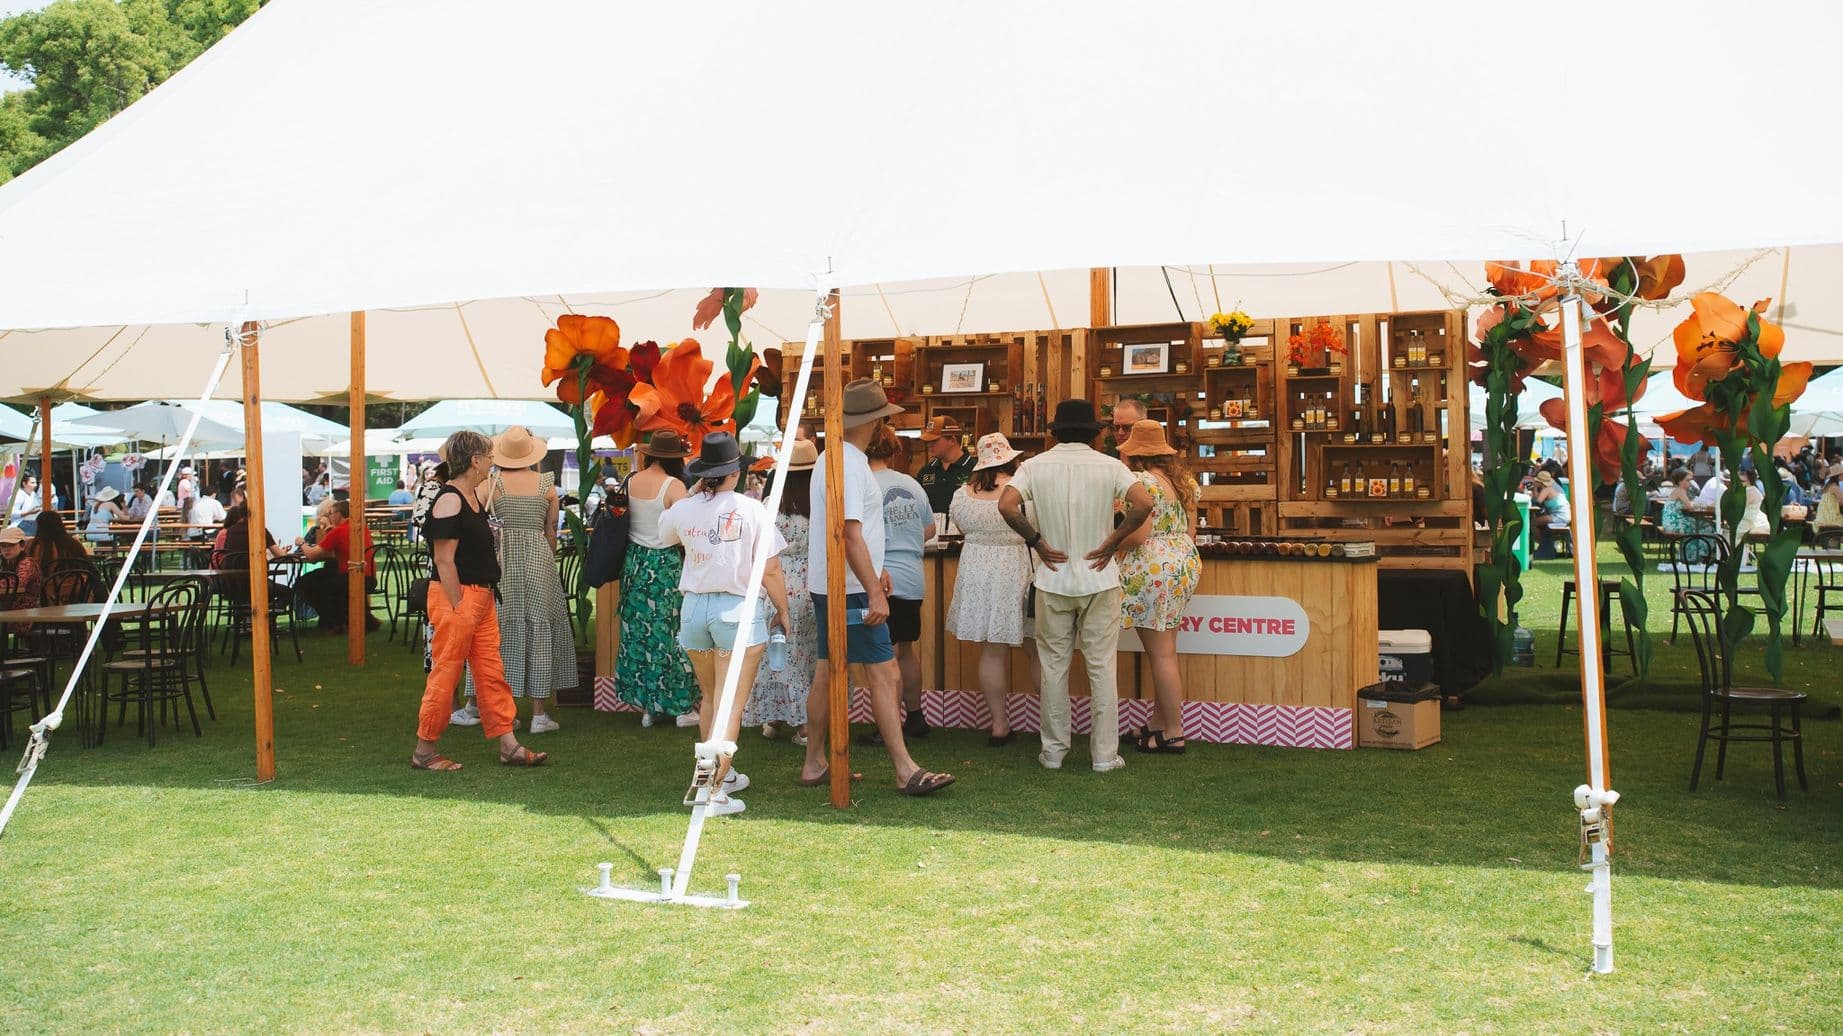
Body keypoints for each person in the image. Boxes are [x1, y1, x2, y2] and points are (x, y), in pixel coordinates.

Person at [801, 379, 954, 796]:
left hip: (832, 582)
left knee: (826, 671)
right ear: (879, 422)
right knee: (885, 672)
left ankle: (815, 761)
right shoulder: (849, 463)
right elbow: (849, 533)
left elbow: (851, 532)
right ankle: (904, 769)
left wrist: (874, 573)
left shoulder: (830, 458)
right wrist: (873, 588)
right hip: (849, 586)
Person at [998, 398, 1153, 773]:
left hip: (1053, 578)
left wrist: (1036, 542)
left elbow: (1006, 505)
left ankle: (1053, 752)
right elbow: (1144, 503)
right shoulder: (1110, 465)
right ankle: (1103, 755)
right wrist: (1114, 540)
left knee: (1053, 668)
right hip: (1100, 577)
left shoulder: (1035, 466)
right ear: (1094, 433)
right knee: (1102, 668)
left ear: (1056, 432)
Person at [657, 431, 793, 817]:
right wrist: (782, 610)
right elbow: (770, 568)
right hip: (736, 609)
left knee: (712, 700)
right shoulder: (752, 510)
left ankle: (718, 779)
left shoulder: (686, 507)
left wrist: (694, 497)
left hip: (695, 610)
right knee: (730, 707)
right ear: (735, 471)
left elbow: (663, 533)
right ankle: (712, 789)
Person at [411, 430, 547, 771]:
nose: (492, 462)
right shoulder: (451, 498)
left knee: (491, 673)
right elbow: (443, 560)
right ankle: (424, 751)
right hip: (459, 597)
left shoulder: (469, 496)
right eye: (488, 456)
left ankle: (509, 745)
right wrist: (458, 604)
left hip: (480, 595)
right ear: (474, 461)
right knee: (445, 673)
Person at [468, 426, 574, 733]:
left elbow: (476, 522)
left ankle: (499, 708)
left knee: (496, 629)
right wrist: (547, 558)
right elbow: (551, 531)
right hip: (539, 560)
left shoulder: (491, 483)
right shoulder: (547, 485)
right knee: (539, 625)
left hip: (500, 562)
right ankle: (539, 714)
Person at [1115, 420, 1201, 754]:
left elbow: (1137, 535)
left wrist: (1112, 540)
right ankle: (1158, 722)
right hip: (1183, 561)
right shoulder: (1184, 481)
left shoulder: (1139, 482)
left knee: (1161, 654)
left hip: (1152, 566)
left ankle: (1175, 732)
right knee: (1167, 649)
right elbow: (1190, 532)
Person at [945, 433, 1034, 744]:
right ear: (1010, 459)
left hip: (976, 570)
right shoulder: (1022, 491)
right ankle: (1052, 725)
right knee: (1036, 647)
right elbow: (1035, 528)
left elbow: (958, 526)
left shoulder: (962, 495)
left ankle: (999, 725)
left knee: (991, 651)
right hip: (1016, 567)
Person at [614, 430, 701, 726]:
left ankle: (649, 706)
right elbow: (685, 529)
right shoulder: (674, 486)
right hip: (663, 564)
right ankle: (680, 706)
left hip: (634, 563)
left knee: (639, 633)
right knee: (670, 633)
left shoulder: (631, 481)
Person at [863, 422, 934, 745]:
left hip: (882, 579)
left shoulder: (863, 484)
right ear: (893, 450)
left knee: (883, 655)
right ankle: (915, 716)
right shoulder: (911, 484)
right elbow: (929, 529)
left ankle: (887, 725)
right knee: (905, 650)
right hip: (913, 576)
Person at [744, 439, 818, 743]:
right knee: (806, 657)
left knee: (776, 654)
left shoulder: (770, 504)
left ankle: (773, 719)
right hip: (811, 582)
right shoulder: (821, 503)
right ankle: (803, 725)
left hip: (773, 583)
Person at [293, 499, 379, 634]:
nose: (329, 517)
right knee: (323, 579)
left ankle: (335, 621)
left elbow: (311, 555)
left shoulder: (338, 531)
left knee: (305, 584)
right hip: (369, 577)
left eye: (330, 513)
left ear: (338, 514)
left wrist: (301, 543)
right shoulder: (361, 527)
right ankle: (361, 619)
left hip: (351, 576)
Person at [915, 416, 976, 517]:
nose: (929, 445)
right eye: (928, 441)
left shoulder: (975, 469)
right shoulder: (926, 471)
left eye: (934, 440)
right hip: (934, 531)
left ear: (952, 440)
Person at [0, 525, 43, 608]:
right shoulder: (5, 562)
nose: (6, 549)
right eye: (3, 546)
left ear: (22, 546)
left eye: (11, 545)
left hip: (26, 610)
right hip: (8, 606)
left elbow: (17, 583)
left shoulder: (27, 563)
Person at [1735, 467, 1770, 540]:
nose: (1739, 483)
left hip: (1749, 522)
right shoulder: (1747, 491)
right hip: (1745, 520)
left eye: (1742, 481)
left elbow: (1737, 507)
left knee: (1730, 531)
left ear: (1749, 481)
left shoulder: (1750, 491)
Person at [1814, 465, 1843, 536]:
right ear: (1838, 475)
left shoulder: (1828, 485)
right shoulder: (1834, 487)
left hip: (1822, 518)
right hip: (1830, 519)